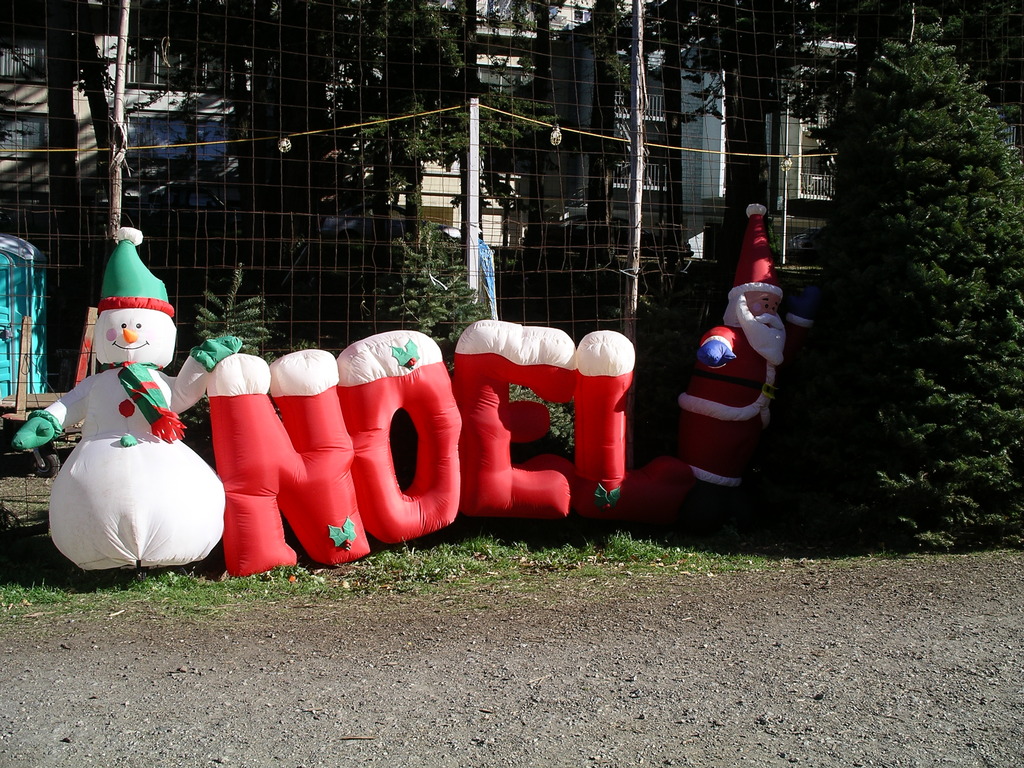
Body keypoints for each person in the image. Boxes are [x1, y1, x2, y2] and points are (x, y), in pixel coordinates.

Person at [677, 204, 820, 529]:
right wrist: (714, 349)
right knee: (710, 464)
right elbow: (718, 338)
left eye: (774, 305)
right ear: (740, 305)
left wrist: (801, 321)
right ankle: (700, 501)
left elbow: (784, 353)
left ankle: (731, 496)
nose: (769, 310)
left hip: (751, 420)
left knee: (735, 461)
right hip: (713, 418)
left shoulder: (771, 340)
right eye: (763, 303)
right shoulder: (732, 332)